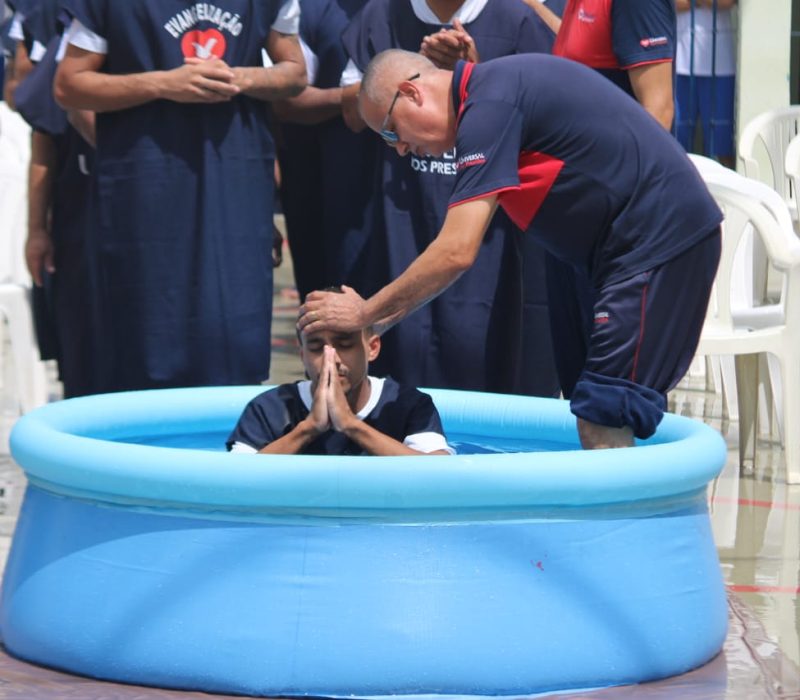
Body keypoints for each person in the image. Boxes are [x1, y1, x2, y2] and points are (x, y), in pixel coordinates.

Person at [298, 50, 723, 450]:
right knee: (586, 402)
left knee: (605, 413)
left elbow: (456, 252)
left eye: (391, 132)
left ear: (411, 92)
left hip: (655, 239)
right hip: (600, 255)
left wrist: (365, 312)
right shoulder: (488, 99)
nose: (401, 149)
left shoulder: (490, 105)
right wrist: (371, 326)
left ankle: (622, 530)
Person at [53, 0, 307, 393]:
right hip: (144, 186)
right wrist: (161, 84)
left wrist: (238, 77)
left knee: (234, 329)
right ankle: (141, 446)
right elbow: (68, 85)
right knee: (143, 332)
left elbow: (295, 73)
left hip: (234, 184)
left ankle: (232, 442)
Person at [335, 0, 559, 397]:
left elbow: (543, 118)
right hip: (405, 215)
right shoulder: (381, 15)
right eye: (393, 135)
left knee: (493, 351)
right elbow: (354, 113)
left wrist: (471, 75)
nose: (403, 145)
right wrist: (417, 74)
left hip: (499, 229)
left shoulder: (517, 19)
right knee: (409, 355)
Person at [228, 290, 453, 455]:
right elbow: (233, 479)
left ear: (372, 348)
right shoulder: (269, 409)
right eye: (316, 348)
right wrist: (308, 429)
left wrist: (350, 424)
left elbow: (442, 475)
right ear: (302, 355)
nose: (331, 358)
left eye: (345, 345)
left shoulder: (406, 404)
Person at [271, 0, 377, 301]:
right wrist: (351, 98)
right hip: (324, 200)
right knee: (328, 318)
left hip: (399, 197)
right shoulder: (302, 9)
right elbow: (283, 101)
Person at [523, 0, 676, 131]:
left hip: (609, 160)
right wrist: (531, 6)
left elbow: (659, 112)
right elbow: (576, 48)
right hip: (578, 152)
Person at [674, 0, 736, 168]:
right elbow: (671, 4)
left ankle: (727, 193)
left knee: (722, 146)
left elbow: (726, 2)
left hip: (721, 66)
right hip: (679, 66)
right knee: (676, 145)